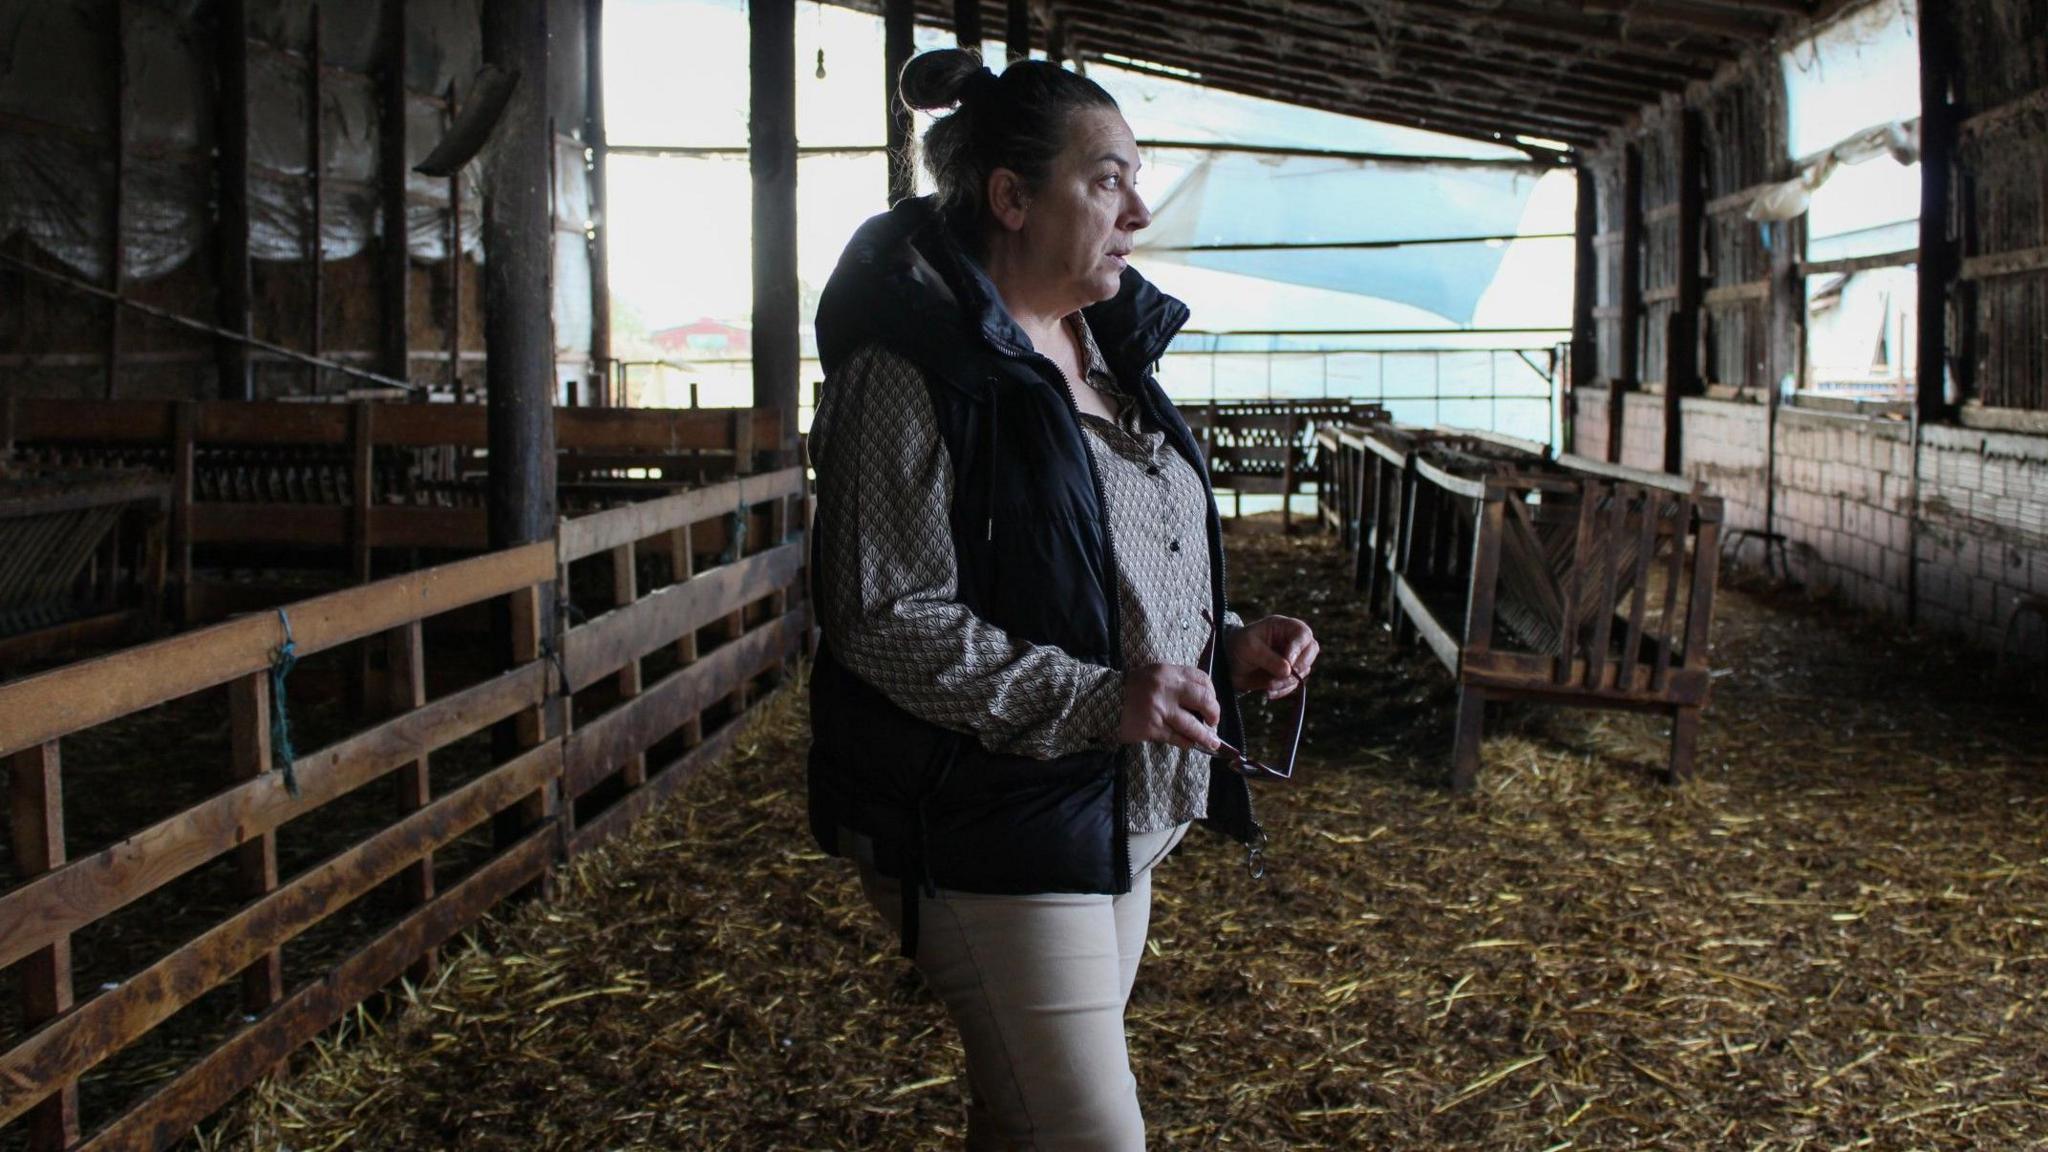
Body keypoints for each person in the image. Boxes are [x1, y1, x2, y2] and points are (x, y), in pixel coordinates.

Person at [805, 47, 1319, 1152]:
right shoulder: (911, 369)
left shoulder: (1101, 346)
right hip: (985, 821)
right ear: (1009, 198)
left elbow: (1094, 559)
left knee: (1021, 1116)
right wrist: (1098, 701)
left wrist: (1217, 646)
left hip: (1109, 812)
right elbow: (882, 617)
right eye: (1105, 181)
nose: (1137, 210)